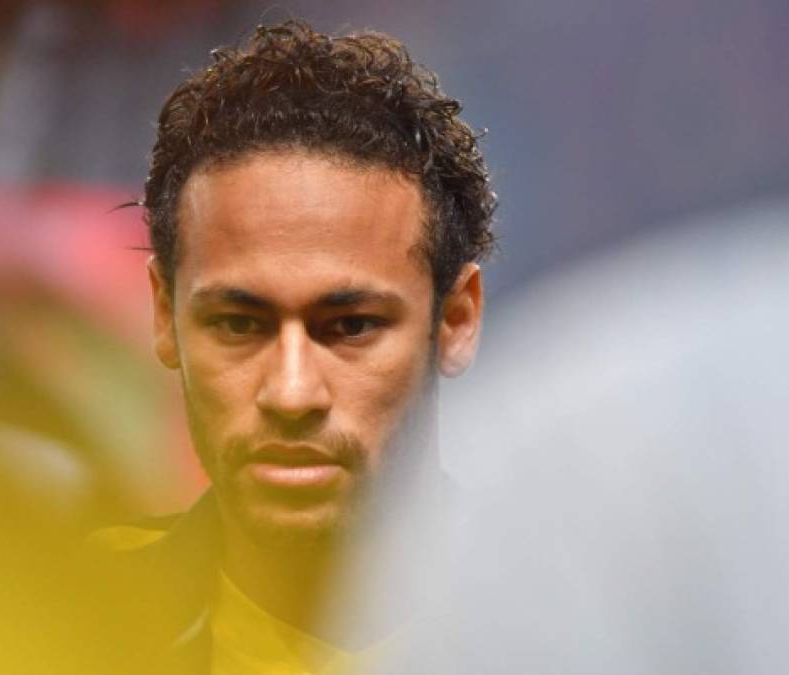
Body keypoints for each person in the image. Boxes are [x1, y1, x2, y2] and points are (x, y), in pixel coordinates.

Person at [89, 19, 496, 675]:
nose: (291, 391)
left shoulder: (610, 628)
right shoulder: (35, 623)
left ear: (454, 320)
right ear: (164, 315)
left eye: (351, 325)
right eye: (237, 324)